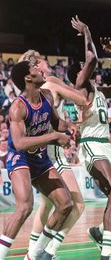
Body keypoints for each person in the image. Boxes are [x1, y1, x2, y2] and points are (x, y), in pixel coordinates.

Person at [67, 16, 111, 260]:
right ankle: (108, 252)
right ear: (79, 73)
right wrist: (87, 32)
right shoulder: (80, 87)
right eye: (85, 68)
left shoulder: (99, 91)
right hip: (90, 146)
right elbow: (92, 59)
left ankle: (99, 231)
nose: (90, 69)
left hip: (106, 147)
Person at [18, 50, 88, 260]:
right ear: (37, 66)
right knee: (77, 205)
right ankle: (47, 252)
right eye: (43, 60)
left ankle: (32, 253)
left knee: (46, 205)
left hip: (39, 152)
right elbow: (81, 99)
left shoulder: (30, 88)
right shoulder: (49, 83)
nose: (47, 63)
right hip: (51, 151)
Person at [0, 61, 72, 260]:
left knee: (66, 204)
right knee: (24, 207)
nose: (41, 70)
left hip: (39, 158)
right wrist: (53, 137)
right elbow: (21, 143)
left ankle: (33, 255)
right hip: (20, 157)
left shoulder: (47, 96)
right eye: (35, 68)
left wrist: (72, 128)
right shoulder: (18, 107)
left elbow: (57, 123)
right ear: (28, 77)